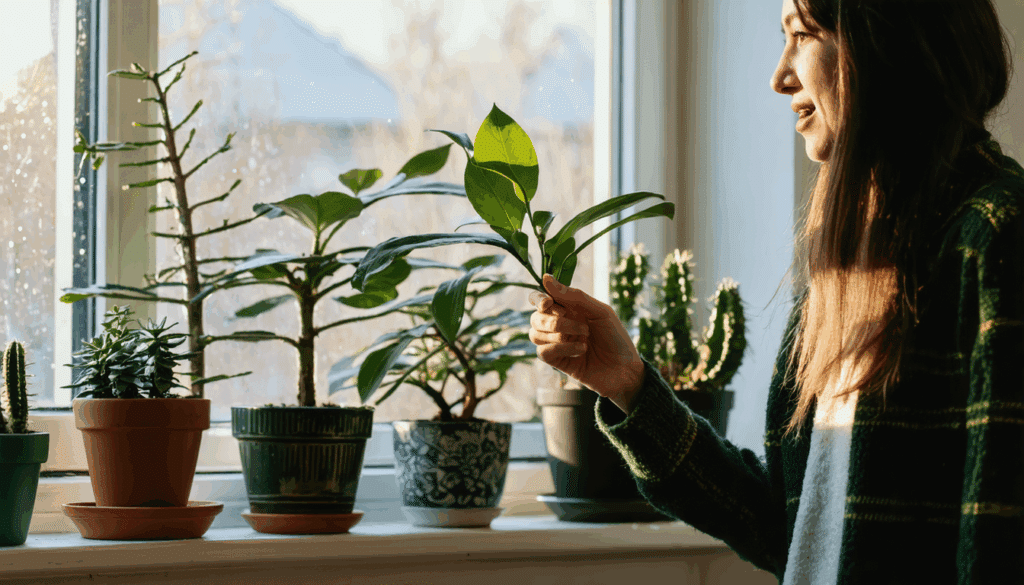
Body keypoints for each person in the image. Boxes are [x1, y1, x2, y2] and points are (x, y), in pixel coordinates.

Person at [527, 0, 1024, 582]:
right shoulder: (845, 263)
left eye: (802, 35)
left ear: (888, 41)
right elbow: (789, 529)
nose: (780, 75)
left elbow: (999, 542)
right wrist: (629, 386)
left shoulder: (996, 237)